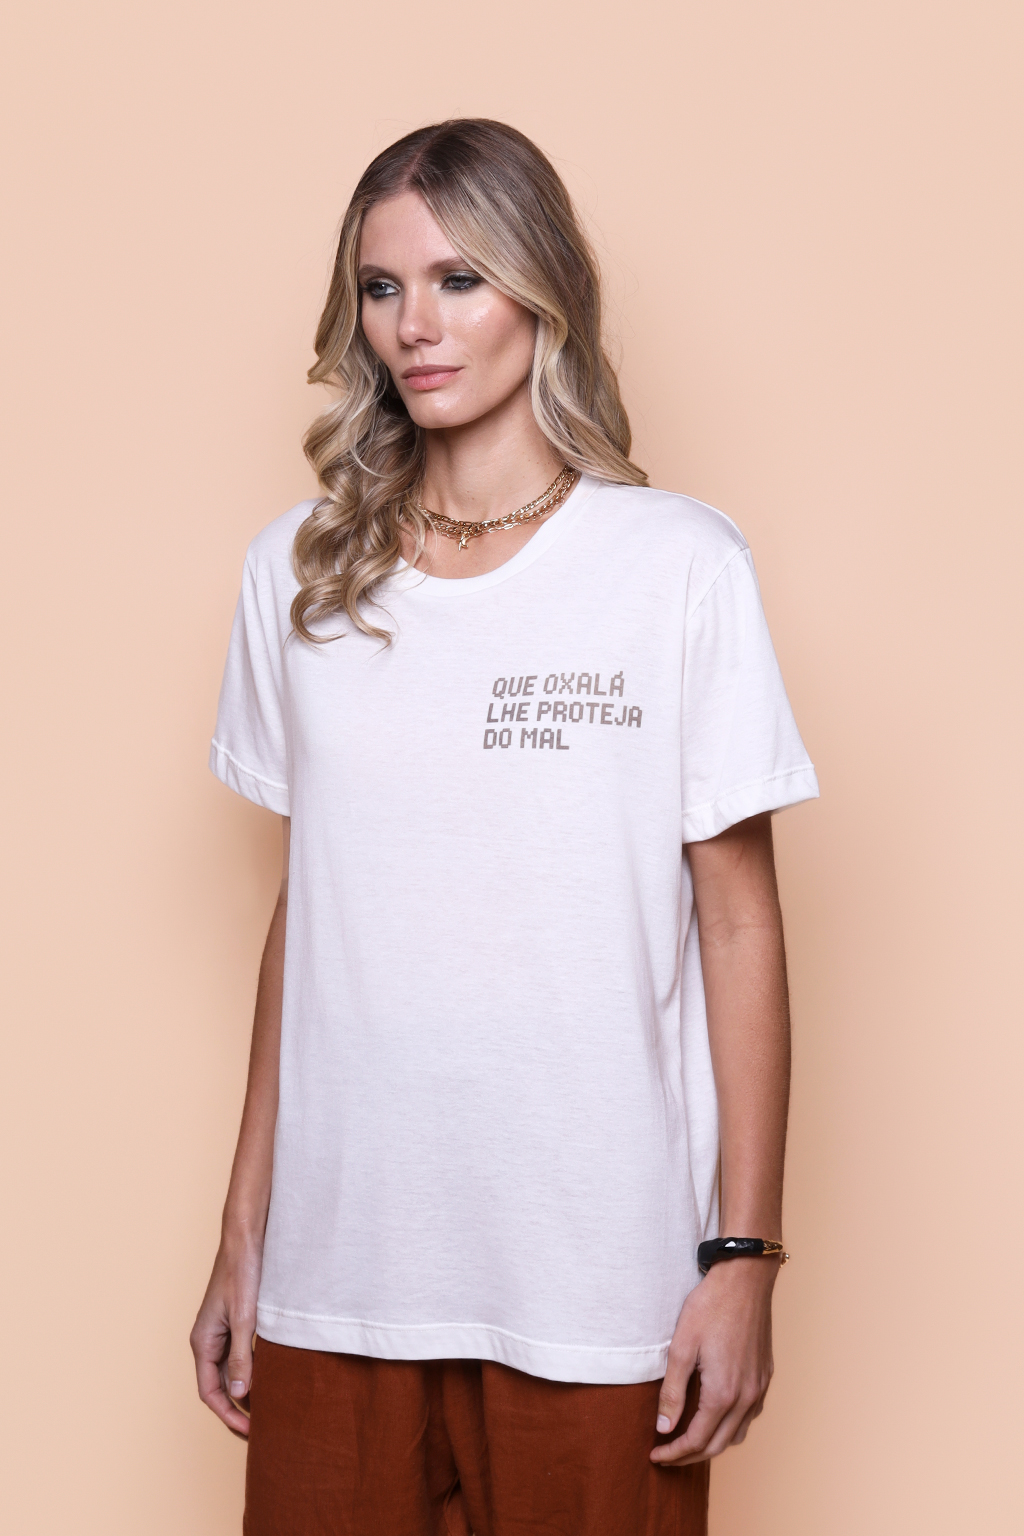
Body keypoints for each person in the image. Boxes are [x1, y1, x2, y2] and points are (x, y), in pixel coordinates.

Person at [190, 118, 819, 1536]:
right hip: (340, 1268)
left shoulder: (676, 566)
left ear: (541, 290)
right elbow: (311, 914)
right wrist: (243, 1233)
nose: (414, 325)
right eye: (381, 286)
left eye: (458, 279)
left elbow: (739, 922)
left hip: (597, 1273)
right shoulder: (297, 575)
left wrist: (745, 1255)